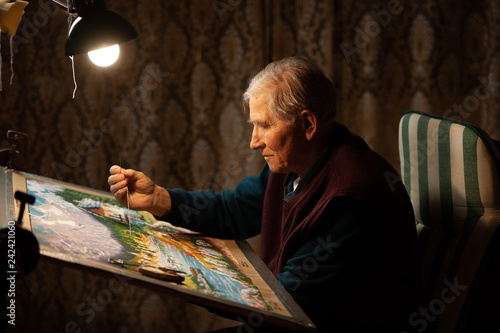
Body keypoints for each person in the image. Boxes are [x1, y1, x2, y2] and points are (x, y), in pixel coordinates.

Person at [108, 56, 421, 332]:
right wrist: (159, 199)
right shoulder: (298, 162)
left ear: (308, 123)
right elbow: (235, 209)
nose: (253, 142)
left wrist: (184, 276)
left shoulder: (349, 201)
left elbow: (283, 304)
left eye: (264, 126)